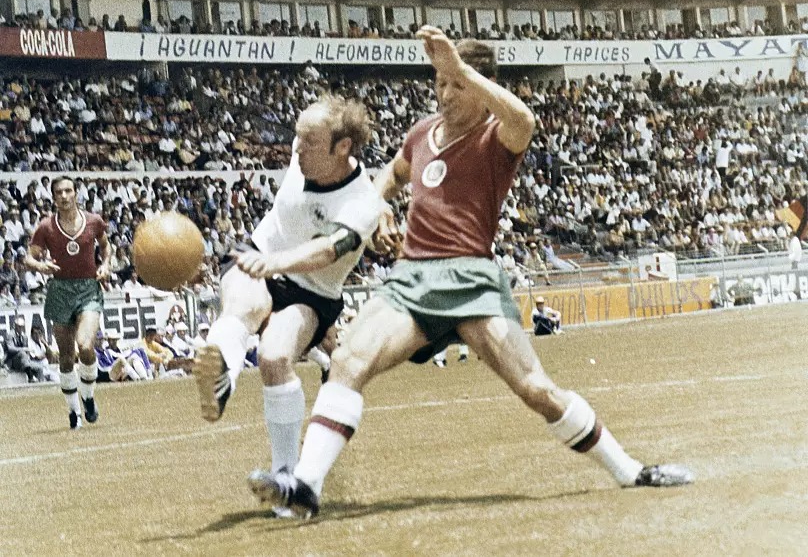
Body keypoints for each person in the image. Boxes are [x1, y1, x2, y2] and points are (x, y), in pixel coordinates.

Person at [251, 27, 692, 517]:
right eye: (440, 82)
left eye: (456, 84)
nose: (445, 93)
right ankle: (306, 485)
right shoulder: (421, 134)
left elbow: (524, 117)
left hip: (471, 280)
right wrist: (373, 210)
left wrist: (463, 71)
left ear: (483, 85)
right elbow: (393, 175)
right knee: (349, 360)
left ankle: (629, 469)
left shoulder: (498, 134)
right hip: (412, 278)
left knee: (535, 390)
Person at [193, 95, 383, 516]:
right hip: (258, 253)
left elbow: (327, 251)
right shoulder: (303, 162)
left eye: (308, 141)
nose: (295, 150)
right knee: (244, 303)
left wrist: (276, 264)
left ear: (343, 147)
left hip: (312, 289)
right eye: (296, 137)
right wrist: (268, 262)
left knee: (275, 357)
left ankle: (285, 478)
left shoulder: (362, 205)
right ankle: (223, 369)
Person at [25, 177, 111, 429]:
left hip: (87, 289)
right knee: (65, 357)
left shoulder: (93, 221)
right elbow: (29, 258)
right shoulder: (46, 227)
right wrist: (41, 265)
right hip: (60, 290)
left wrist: (105, 265)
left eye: (68, 191)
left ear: (76, 193)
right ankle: (74, 412)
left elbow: (106, 247)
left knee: (85, 345)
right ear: (53, 197)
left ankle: (88, 397)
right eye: (59, 192)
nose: (64, 195)